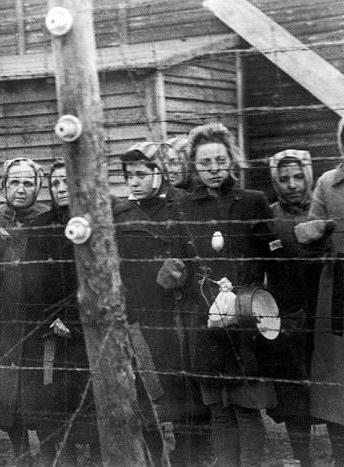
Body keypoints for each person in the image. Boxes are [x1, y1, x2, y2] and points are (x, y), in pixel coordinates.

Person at [158, 123, 279, 466]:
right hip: (204, 320)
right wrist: (172, 276)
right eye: (205, 162)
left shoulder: (252, 202)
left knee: (247, 408)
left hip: (246, 318)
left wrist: (268, 307)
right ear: (194, 166)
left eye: (220, 161)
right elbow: (178, 263)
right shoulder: (183, 209)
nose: (213, 169)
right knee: (219, 411)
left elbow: (275, 259)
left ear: (231, 161)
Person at [113, 142, 210, 465]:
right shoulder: (120, 213)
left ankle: (196, 450)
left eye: (142, 174)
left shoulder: (180, 205)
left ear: (159, 173)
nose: (135, 181)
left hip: (182, 310)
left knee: (189, 383)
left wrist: (183, 272)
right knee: (153, 386)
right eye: (129, 175)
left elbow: (201, 256)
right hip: (142, 311)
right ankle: (163, 451)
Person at [18, 160, 99, 465]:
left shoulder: (96, 221)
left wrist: (77, 321)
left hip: (89, 329)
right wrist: (51, 320)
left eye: (68, 182)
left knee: (92, 406)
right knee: (54, 407)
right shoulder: (41, 227)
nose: (62, 188)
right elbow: (32, 282)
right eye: (55, 184)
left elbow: (98, 278)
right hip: (52, 332)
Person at [295, 108, 344, 465]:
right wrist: (311, 232)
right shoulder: (326, 184)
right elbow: (309, 233)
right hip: (338, 294)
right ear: (341, 144)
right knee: (337, 379)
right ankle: (341, 457)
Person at [0, 157, 49, 459]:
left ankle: (49, 451)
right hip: (2, 316)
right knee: (8, 394)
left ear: (38, 188)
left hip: (39, 318)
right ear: (4, 186)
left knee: (41, 390)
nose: (20, 189)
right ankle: (20, 453)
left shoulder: (49, 218)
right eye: (14, 183)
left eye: (28, 183)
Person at [261, 149, 321, 466]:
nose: (292, 184)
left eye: (299, 177)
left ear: (309, 176)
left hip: (324, 313)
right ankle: (303, 458)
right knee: (294, 396)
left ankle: (343, 454)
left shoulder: (321, 209)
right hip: (287, 317)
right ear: (275, 182)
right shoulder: (270, 217)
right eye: (283, 179)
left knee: (330, 388)